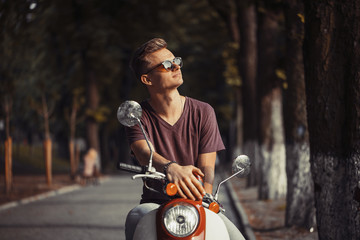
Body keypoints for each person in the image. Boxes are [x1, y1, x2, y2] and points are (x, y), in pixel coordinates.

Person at [124, 38, 245, 240]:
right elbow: (145, 153)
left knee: (237, 238)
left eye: (176, 61)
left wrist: (202, 198)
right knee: (135, 218)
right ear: (147, 79)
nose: (176, 67)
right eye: (166, 65)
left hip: (199, 201)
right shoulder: (136, 115)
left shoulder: (203, 111)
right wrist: (172, 168)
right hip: (155, 203)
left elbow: (207, 168)